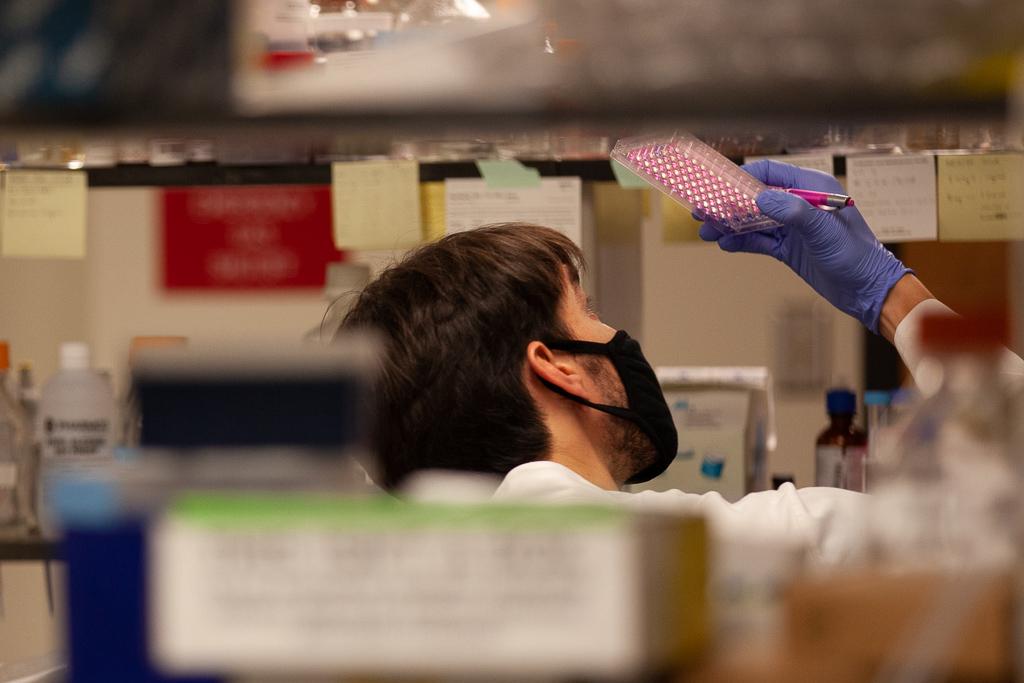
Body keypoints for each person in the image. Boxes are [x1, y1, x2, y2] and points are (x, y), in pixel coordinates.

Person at [338, 161, 1014, 565]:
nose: (616, 333)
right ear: (557, 365)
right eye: (590, 308)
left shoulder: (440, 567)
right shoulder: (662, 554)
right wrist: (891, 295)